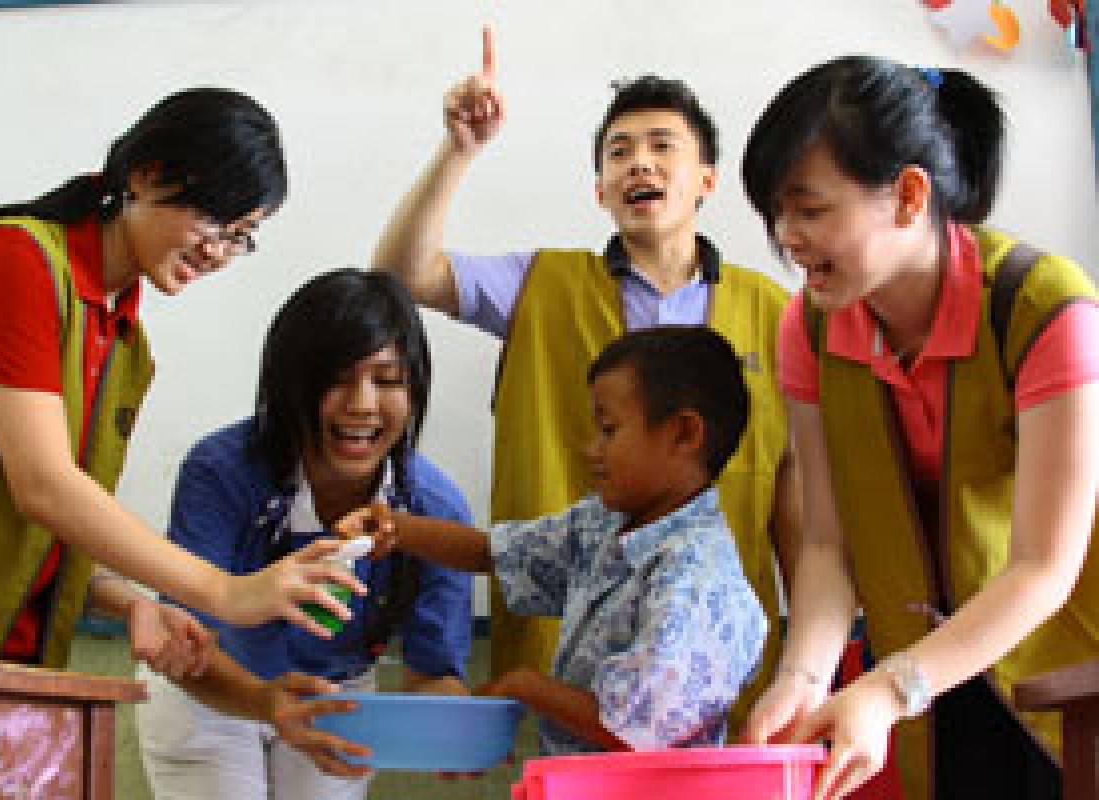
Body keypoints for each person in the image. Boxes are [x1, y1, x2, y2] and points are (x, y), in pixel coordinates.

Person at [371, 27, 799, 733]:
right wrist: (459, 151)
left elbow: (792, 497)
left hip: (708, 650)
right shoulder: (542, 283)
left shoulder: (776, 313)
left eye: (662, 146)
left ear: (707, 180)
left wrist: (806, 657)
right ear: (600, 190)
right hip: (565, 637)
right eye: (619, 152)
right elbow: (399, 275)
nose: (640, 163)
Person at [0, 88, 363, 672]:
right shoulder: (13, 258)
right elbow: (42, 484)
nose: (218, 252)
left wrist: (127, 602)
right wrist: (224, 591)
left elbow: (38, 533)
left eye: (239, 236)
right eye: (215, 218)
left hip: (0, 664)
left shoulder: (125, 343)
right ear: (146, 175)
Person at [739, 55, 1099, 800]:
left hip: (1066, 676)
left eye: (811, 210)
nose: (787, 236)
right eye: (776, 212)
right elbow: (829, 543)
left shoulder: (1044, 309)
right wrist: (802, 678)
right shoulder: (809, 329)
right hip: (926, 690)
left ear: (909, 194)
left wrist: (891, 686)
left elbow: (1043, 567)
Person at [341, 326, 766, 756]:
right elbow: (496, 551)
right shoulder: (605, 522)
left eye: (609, 429)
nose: (591, 449)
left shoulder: (695, 581)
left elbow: (632, 728)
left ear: (684, 434)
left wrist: (527, 687)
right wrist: (396, 529)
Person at [137, 268, 475, 800]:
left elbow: (433, 674)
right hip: (213, 691)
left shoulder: (436, 510)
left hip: (335, 695)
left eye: (388, 380)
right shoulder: (220, 471)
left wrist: (458, 724)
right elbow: (185, 643)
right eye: (336, 378)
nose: (362, 404)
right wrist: (264, 702)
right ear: (288, 385)